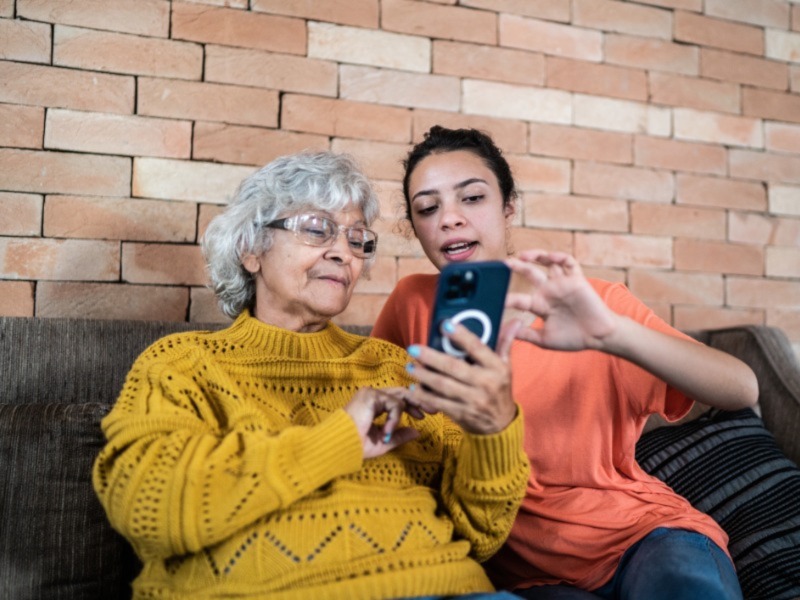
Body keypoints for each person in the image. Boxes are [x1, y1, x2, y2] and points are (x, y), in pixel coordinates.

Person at [92, 150, 531, 600]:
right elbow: (148, 509)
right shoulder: (182, 364)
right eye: (316, 229)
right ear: (250, 250)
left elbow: (481, 535)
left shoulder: (393, 366)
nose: (343, 252)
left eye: (358, 239)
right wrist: (339, 438)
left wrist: (492, 428)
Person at [371, 126, 760, 600]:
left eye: (472, 198)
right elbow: (378, 421)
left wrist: (611, 333)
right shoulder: (412, 304)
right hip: (526, 575)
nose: (449, 219)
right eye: (428, 209)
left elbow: (741, 389)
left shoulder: (592, 301)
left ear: (508, 206)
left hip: (644, 538)